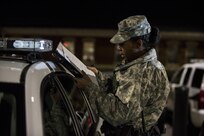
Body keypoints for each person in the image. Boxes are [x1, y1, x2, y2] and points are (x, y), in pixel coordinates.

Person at [75, 15, 170, 136]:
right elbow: (121, 89)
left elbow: (119, 114)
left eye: (122, 44)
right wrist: (98, 76)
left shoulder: (143, 72)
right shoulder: (141, 66)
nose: (119, 48)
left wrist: (89, 88)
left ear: (138, 44)